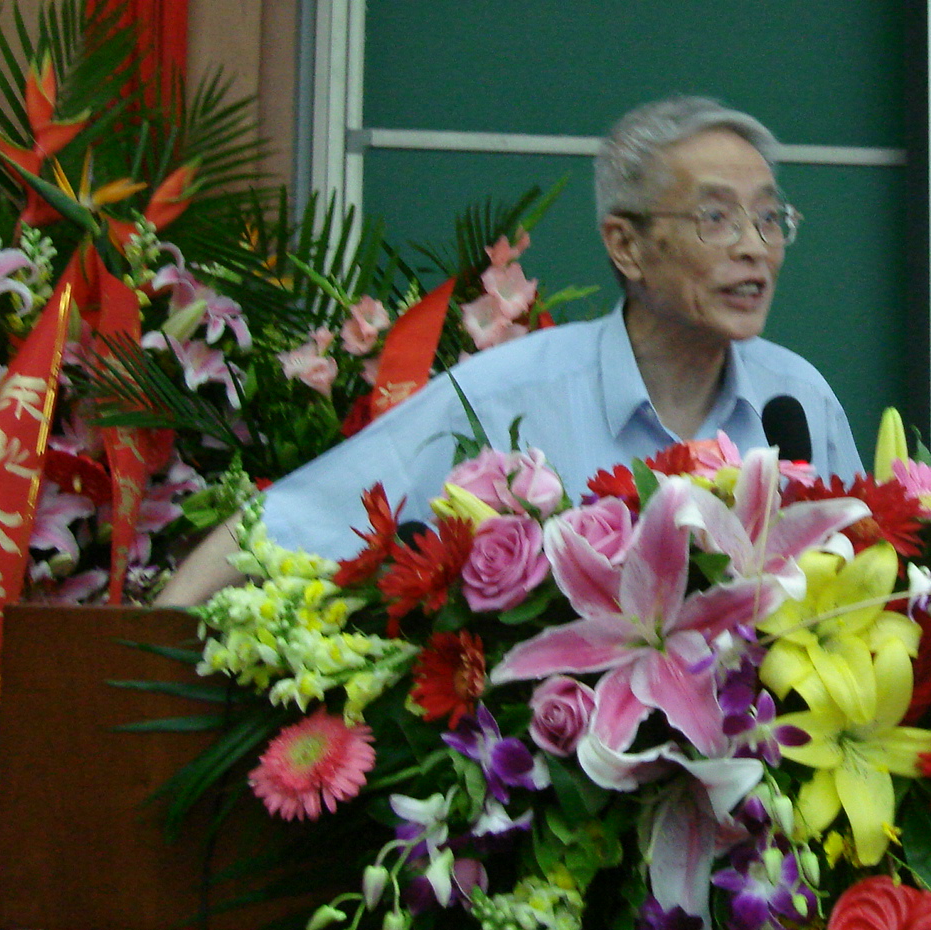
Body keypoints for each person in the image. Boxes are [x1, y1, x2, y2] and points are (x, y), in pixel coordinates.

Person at [156, 95, 862, 604]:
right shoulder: (504, 397)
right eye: (716, 217)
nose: (755, 246)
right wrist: (151, 659)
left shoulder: (797, 399)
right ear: (626, 245)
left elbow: (865, 577)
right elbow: (289, 524)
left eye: (769, 217)